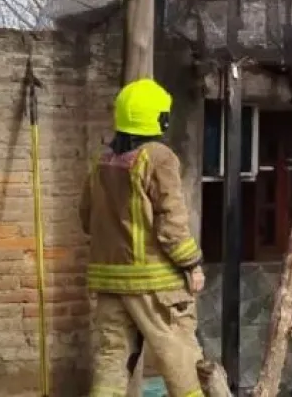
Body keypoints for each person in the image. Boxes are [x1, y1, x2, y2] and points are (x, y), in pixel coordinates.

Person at [80, 78, 207, 397]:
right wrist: (192, 264)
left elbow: (86, 217)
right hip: (157, 286)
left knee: (111, 362)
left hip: (110, 282)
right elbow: (171, 222)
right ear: (159, 118)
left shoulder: (103, 161)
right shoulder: (159, 157)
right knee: (181, 360)